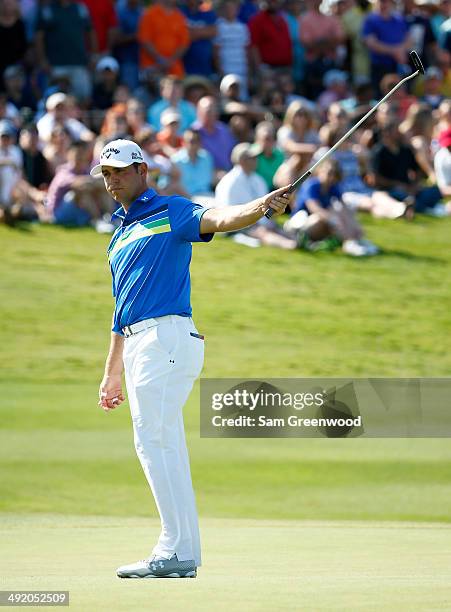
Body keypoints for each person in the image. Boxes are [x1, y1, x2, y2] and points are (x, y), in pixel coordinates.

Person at [94, 138, 292, 578]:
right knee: (166, 444)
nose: (112, 181)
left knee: (153, 442)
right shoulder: (119, 235)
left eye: (119, 171)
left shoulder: (171, 209)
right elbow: (120, 307)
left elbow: (218, 218)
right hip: (142, 343)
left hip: (165, 338)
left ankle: (173, 548)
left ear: (142, 170)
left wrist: (259, 206)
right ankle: (182, 552)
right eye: (106, 174)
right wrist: (111, 374)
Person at [138, 0, 189, 78]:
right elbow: (145, 40)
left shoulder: (180, 17)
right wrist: (160, 59)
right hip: (152, 66)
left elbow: (184, 43)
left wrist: (170, 61)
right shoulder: (150, 14)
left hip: (174, 68)